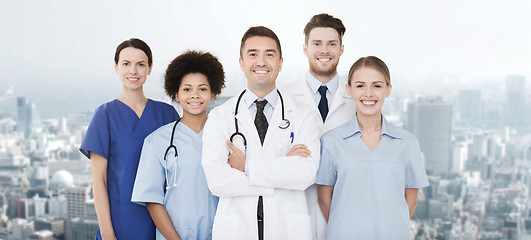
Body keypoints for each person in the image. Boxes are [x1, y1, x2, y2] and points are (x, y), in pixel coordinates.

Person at [201, 26, 321, 240]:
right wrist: (282, 168)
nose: (261, 62)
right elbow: (217, 180)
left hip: (287, 229)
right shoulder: (221, 116)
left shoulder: (303, 114)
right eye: (253, 54)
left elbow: (305, 174)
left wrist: (247, 165)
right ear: (241, 63)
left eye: (269, 54)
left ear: (280, 63)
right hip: (237, 230)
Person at [316, 56, 429, 239]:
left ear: (388, 90)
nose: (368, 93)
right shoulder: (331, 141)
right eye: (360, 86)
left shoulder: (407, 142)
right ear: (349, 89)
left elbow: (411, 200)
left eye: (376, 86)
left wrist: (389, 229)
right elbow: (323, 199)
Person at [80, 38, 179, 240]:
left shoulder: (166, 114)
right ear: (116, 67)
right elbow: (99, 180)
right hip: (118, 223)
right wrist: (107, 233)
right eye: (126, 64)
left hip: (161, 222)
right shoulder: (105, 115)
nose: (133, 71)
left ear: (150, 68)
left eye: (140, 64)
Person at [131, 50, 225, 240]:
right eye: (187, 89)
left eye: (203, 89)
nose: (195, 96)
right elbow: (152, 200)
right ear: (176, 93)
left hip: (223, 233)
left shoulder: (226, 137)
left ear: (213, 92)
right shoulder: (157, 141)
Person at [281, 13, 355, 240]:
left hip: (343, 207)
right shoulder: (283, 97)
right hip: (293, 207)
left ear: (341, 49)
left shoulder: (357, 99)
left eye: (332, 44)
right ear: (305, 48)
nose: (324, 51)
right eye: (317, 44)